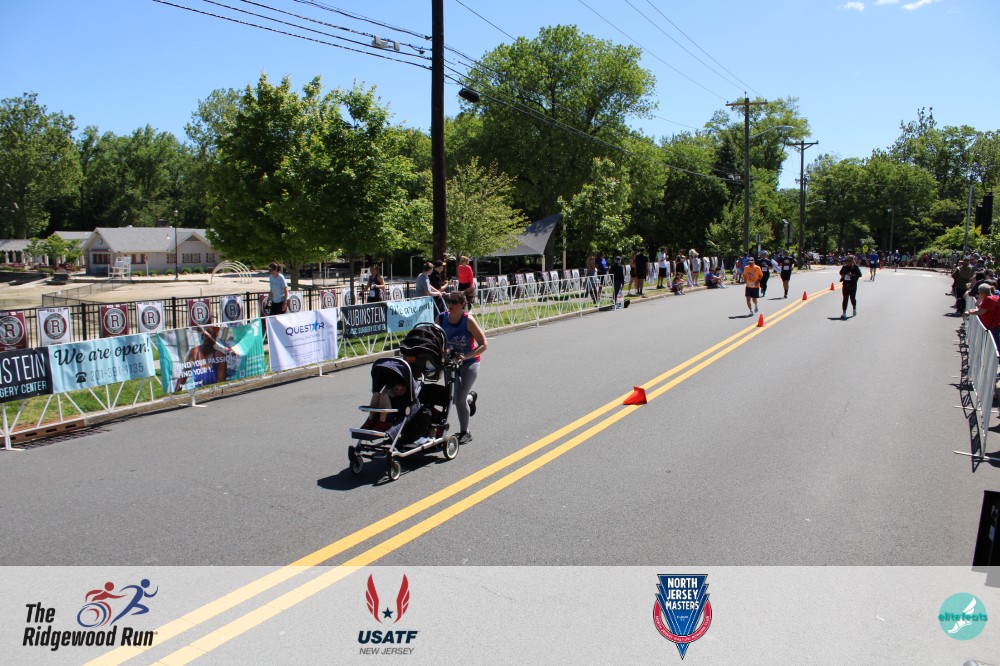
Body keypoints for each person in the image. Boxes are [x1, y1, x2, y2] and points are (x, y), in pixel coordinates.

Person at [439, 291, 487, 444]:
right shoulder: (441, 318)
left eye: (454, 302)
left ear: (463, 304)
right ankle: (470, 399)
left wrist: (465, 356)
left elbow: (484, 344)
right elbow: (435, 339)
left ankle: (465, 432)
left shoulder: (468, 320)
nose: (450, 304)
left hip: (469, 362)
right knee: (455, 398)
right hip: (451, 362)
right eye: (449, 301)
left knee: (459, 399)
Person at [175, 326, 228, 391]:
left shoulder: (219, 355)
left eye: (209, 337)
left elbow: (220, 382)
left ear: (214, 340)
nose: (206, 339)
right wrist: (176, 393)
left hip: (213, 391)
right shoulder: (193, 353)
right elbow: (183, 377)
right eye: (204, 336)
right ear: (202, 337)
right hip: (198, 392)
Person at [963, 283, 1000, 350]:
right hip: (994, 324)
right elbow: (980, 309)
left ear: (982, 293)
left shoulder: (988, 299)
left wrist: (969, 312)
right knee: (994, 343)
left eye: (979, 292)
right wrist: (970, 310)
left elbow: (980, 312)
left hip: (991, 325)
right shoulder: (994, 297)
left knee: (994, 345)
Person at [839, 254, 863, 319]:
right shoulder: (844, 267)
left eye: (849, 261)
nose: (848, 262)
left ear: (853, 261)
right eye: (847, 260)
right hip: (845, 284)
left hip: (853, 285)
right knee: (845, 298)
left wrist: (852, 274)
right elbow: (840, 272)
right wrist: (843, 275)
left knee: (852, 298)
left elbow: (860, 275)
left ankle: (854, 308)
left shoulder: (855, 267)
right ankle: (844, 313)